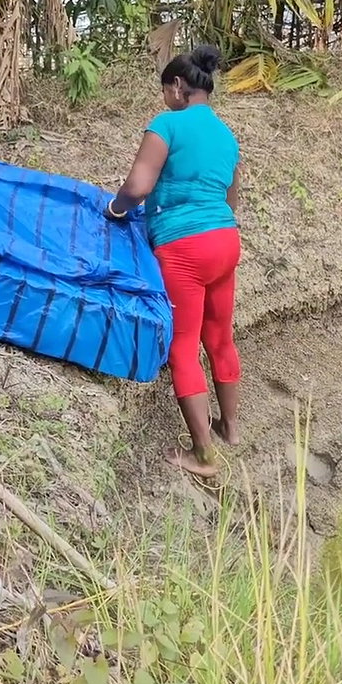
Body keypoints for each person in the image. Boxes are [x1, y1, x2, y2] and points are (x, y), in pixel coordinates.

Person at [106, 45, 243, 479]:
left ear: (178, 86)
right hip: (226, 240)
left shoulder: (167, 124)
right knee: (219, 336)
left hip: (185, 249)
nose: (165, 98)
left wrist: (115, 210)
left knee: (183, 347)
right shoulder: (227, 135)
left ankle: (203, 457)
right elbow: (231, 200)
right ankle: (230, 428)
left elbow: (138, 185)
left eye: (166, 90)